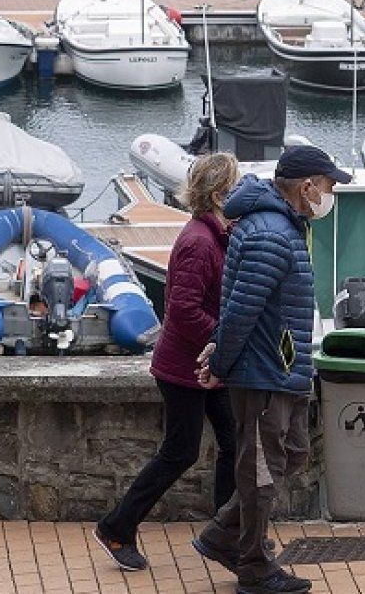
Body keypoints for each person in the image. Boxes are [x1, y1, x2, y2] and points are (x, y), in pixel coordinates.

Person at [192, 145, 351, 594]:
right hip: (264, 373)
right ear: (307, 186)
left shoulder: (280, 227)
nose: (330, 193)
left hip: (281, 368)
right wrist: (221, 364)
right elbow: (243, 308)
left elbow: (248, 305)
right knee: (261, 471)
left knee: (293, 453)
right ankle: (255, 568)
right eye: (329, 185)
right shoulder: (272, 235)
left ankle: (223, 535)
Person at [94, 153, 241, 572]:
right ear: (217, 194)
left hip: (203, 364)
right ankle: (116, 526)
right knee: (180, 452)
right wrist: (224, 339)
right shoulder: (199, 241)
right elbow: (183, 312)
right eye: (235, 186)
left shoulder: (216, 235)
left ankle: (225, 533)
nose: (241, 194)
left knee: (231, 443)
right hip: (184, 368)